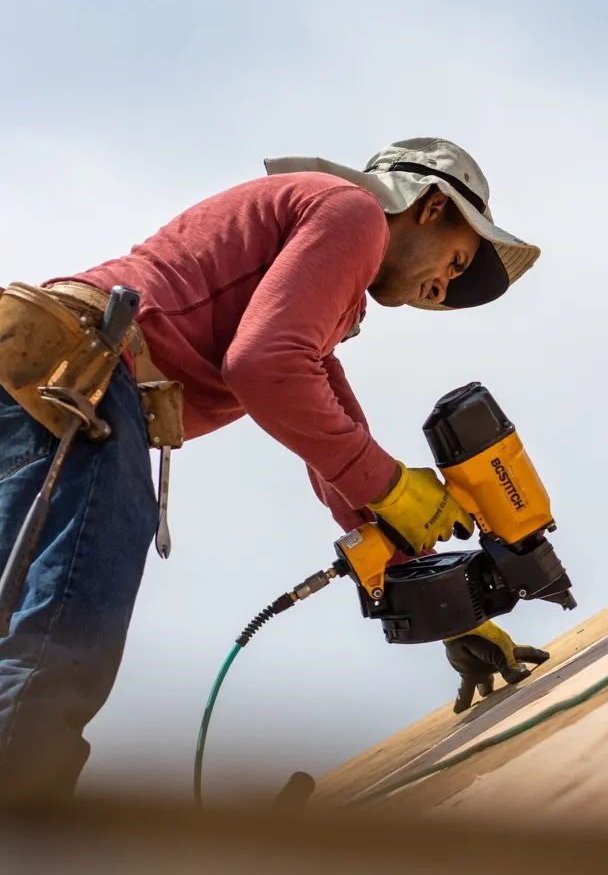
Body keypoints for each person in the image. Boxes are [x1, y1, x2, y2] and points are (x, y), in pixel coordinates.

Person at [0, 136, 542, 803]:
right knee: (59, 639)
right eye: (456, 262)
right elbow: (266, 368)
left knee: (15, 625)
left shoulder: (319, 249)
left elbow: (327, 433)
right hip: (79, 379)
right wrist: (394, 484)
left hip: (33, 379)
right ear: (429, 207)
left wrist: (443, 605)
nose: (441, 288)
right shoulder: (354, 213)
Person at [443, 621, 550, 713]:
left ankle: (484, 680)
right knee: (511, 658)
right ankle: (501, 672)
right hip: (476, 639)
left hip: (462, 658)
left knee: (471, 681)